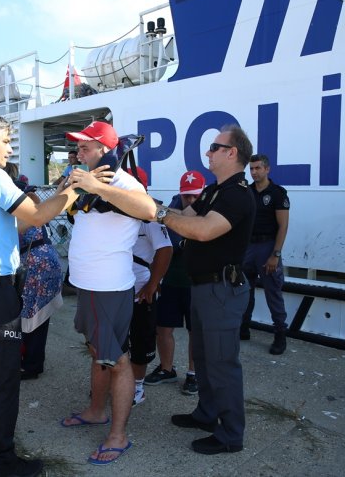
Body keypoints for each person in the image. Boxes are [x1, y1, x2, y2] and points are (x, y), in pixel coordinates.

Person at [0, 112, 80, 477]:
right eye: (6, 140)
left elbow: (18, 222)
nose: (10, 147)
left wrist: (59, 194)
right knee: (3, 377)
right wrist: (76, 189)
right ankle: (0, 461)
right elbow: (40, 217)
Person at [58, 121, 157, 466]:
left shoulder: (122, 181)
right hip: (88, 286)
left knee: (117, 360)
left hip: (107, 288)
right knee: (97, 351)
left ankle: (119, 435)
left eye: (85, 147)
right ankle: (96, 410)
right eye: (78, 147)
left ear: (104, 149)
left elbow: (148, 210)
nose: (78, 152)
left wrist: (96, 187)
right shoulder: (88, 179)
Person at [157, 124, 255, 455]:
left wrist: (158, 213)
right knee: (204, 357)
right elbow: (185, 214)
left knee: (222, 364)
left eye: (214, 147)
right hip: (204, 288)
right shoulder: (214, 191)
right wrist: (152, 205)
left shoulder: (238, 194)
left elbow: (202, 230)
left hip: (221, 290)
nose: (208, 153)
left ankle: (230, 435)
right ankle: (207, 413)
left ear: (232, 153)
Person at [144, 170, 205, 395]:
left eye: (195, 196)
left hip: (197, 282)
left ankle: (193, 373)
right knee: (163, 328)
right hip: (171, 279)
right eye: (187, 196)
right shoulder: (172, 207)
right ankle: (167, 369)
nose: (191, 200)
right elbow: (171, 244)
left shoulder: (209, 206)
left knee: (195, 331)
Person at [125, 166, 172, 406]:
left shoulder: (150, 213)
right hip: (117, 290)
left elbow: (165, 250)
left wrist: (153, 285)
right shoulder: (116, 210)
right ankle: (119, 384)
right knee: (118, 342)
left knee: (141, 342)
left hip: (140, 291)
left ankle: (137, 388)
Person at [240, 154, 290, 355]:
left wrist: (275, 255)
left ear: (267, 169)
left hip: (268, 247)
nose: (254, 172)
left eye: (258, 168)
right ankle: (243, 328)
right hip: (248, 247)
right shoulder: (247, 192)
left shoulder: (277, 193)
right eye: (251, 169)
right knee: (244, 290)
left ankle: (280, 334)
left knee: (273, 293)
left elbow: (283, 226)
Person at [18, 188, 64, 380]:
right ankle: (33, 361)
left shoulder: (18, 215)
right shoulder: (34, 210)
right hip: (48, 264)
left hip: (35, 268)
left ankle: (31, 365)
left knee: (31, 317)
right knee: (39, 318)